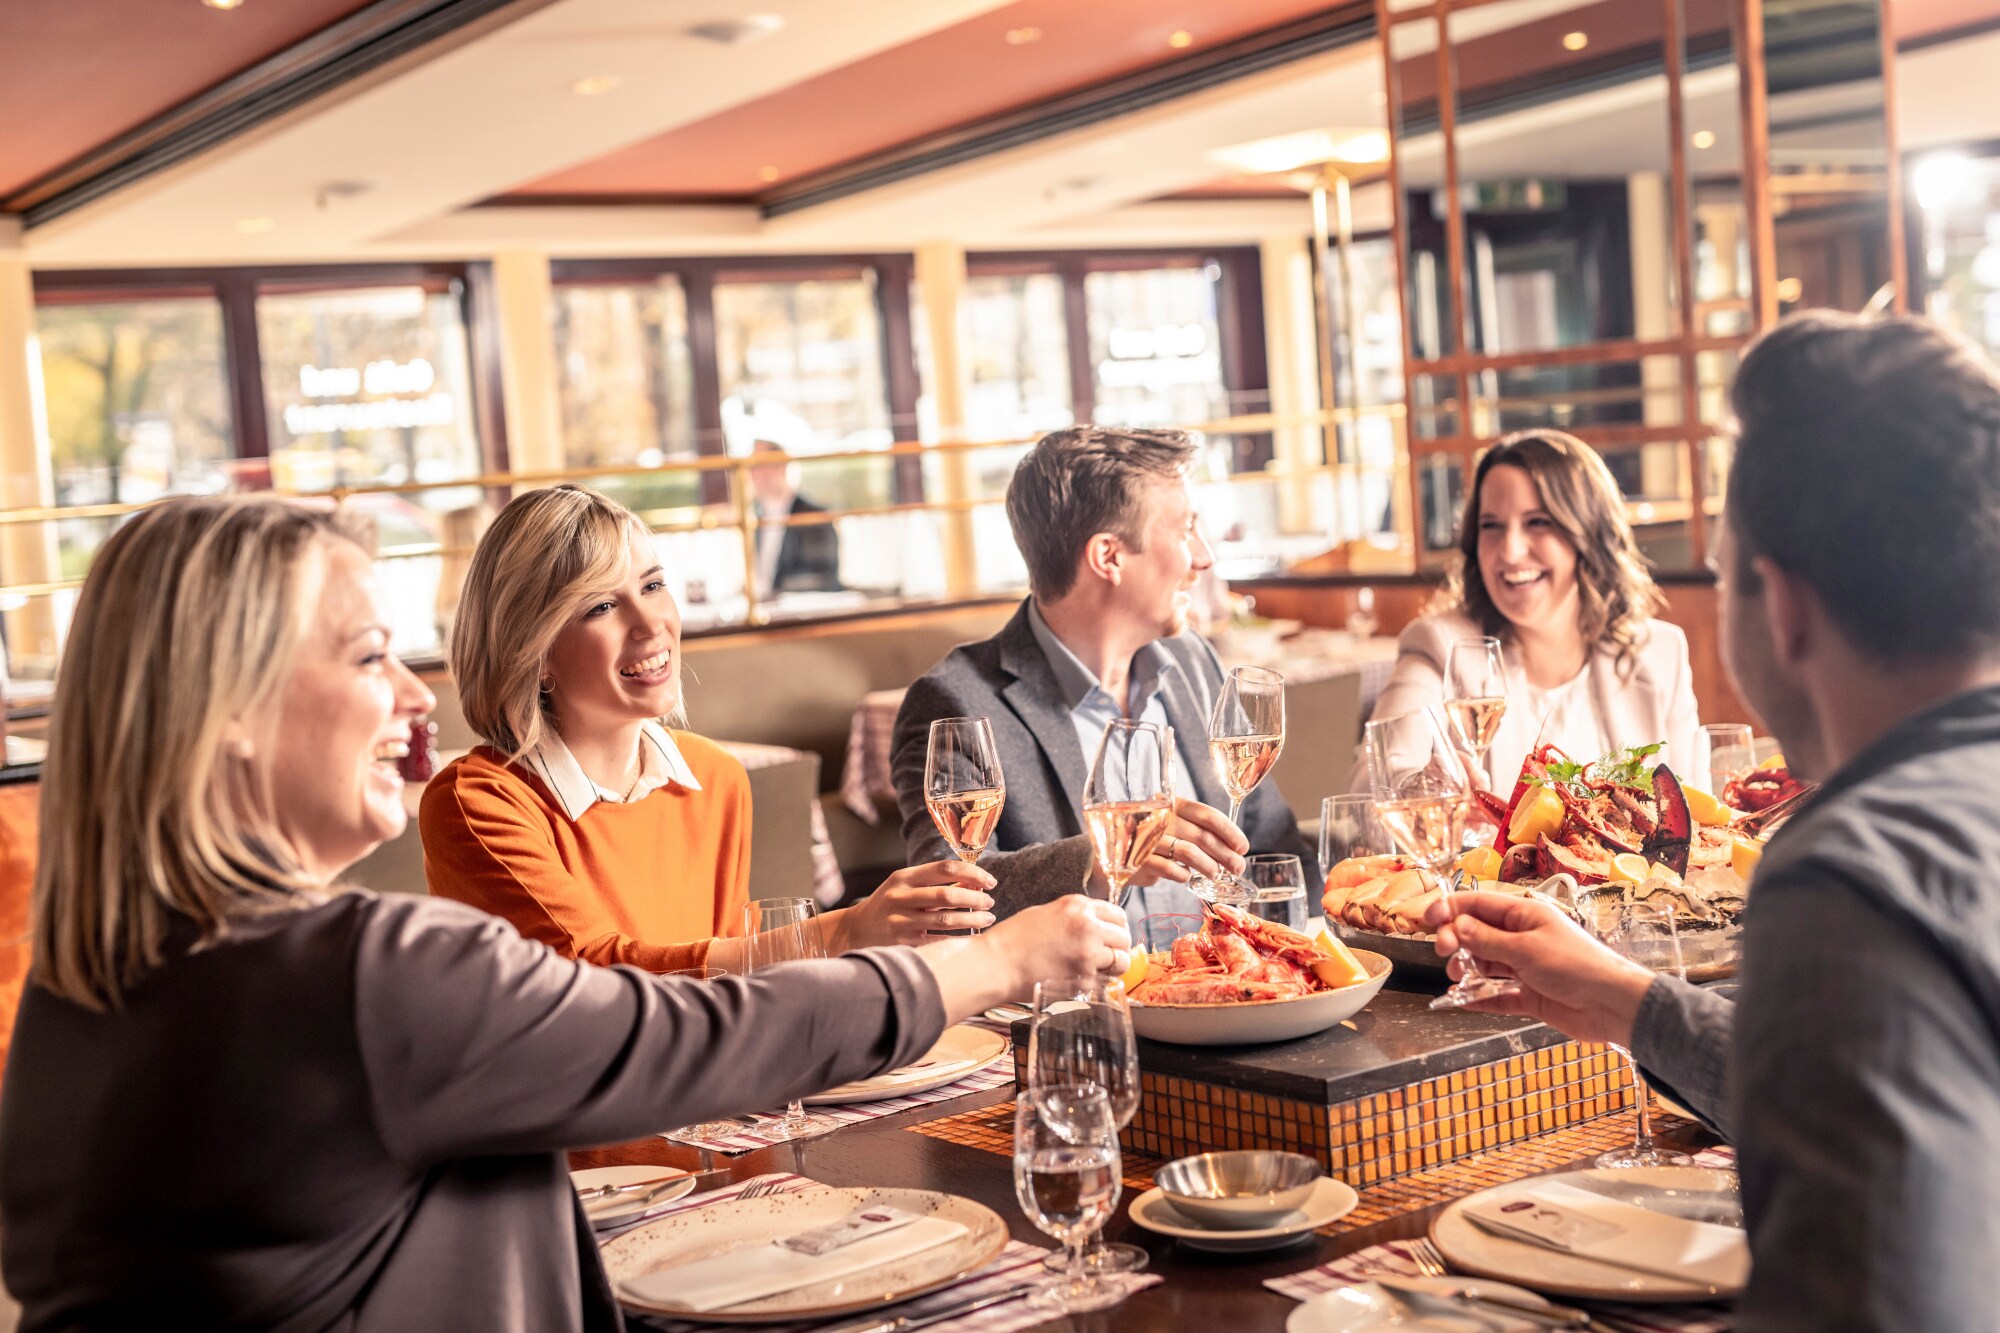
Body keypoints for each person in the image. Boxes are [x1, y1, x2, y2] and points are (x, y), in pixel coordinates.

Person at [0, 495, 1130, 1331]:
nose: (414, 693)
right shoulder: (358, 972)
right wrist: (991, 962)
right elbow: (686, 1033)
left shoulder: (81, 988)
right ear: (228, 713)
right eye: (370, 656)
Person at [1426, 312, 2000, 1331]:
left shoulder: (1847, 877)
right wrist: (1627, 1002)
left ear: (1780, 605)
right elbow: (1866, 1091)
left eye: (1724, 574)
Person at [424, 485, 990, 972]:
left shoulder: (714, 778)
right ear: (533, 651)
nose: (651, 624)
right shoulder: (477, 802)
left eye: (652, 585)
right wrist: (844, 931)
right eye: (600, 606)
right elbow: (596, 979)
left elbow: (725, 999)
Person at [892, 426, 1313, 924]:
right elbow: (943, 898)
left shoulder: (1191, 660)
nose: (1204, 557)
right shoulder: (956, 700)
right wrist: (1098, 857)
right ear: (1108, 556)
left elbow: (1274, 847)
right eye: (1185, 530)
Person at [1367, 429, 1699, 789]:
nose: (1510, 551)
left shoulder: (1661, 654)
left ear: (1588, 534)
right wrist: (1422, 790)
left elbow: (1695, 807)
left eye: (1538, 522)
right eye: (1491, 526)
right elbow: (1378, 782)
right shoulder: (1439, 646)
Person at [749, 438, 842, 596]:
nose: (753, 473)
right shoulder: (756, 519)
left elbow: (822, 576)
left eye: (760, 466)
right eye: (752, 467)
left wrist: (778, 592)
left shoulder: (814, 516)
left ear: (781, 467)